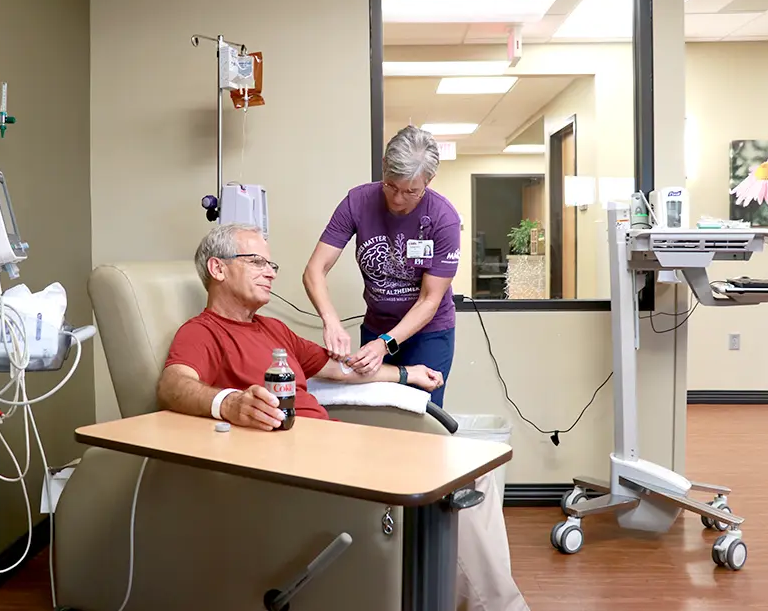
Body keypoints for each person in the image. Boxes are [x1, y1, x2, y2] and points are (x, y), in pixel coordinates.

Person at [157, 223, 529, 611]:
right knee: (446, 484)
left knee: (474, 472)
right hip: (297, 461)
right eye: (256, 262)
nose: (270, 272)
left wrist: (406, 373)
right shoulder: (201, 333)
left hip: (330, 444)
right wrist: (229, 404)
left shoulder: (273, 329)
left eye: (272, 264)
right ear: (217, 269)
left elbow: (337, 368)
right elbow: (172, 384)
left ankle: (482, 600)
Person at [303, 125, 461, 408]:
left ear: (429, 180)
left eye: (411, 191)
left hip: (428, 333)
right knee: (374, 415)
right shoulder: (358, 202)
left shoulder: (443, 219)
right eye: (391, 186)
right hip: (377, 326)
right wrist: (332, 322)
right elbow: (315, 270)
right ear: (384, 166)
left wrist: (385, 343)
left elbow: (429, 300)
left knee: (421, 418)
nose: (398, 200)